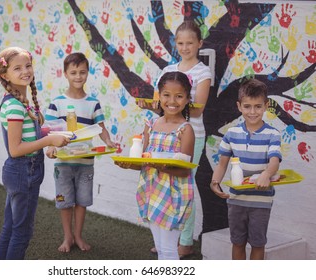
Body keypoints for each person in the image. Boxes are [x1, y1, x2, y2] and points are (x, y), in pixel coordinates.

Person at [138, 20, 211, 258]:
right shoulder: (167, 70)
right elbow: (160, 106)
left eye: (190, 42)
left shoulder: (202, 72)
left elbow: (197, 110)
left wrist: (170, 103)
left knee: (182, 186)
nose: (185, 47)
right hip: (164, 134)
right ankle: (164, 237)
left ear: (199, 43)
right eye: (180, 42)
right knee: (160, 185)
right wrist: (149, 104)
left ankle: (185, 242)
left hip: (191, 134)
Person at [0, 47, 70, 260]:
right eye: (17, 68)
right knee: (21, 232)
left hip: (23, 172)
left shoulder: (21, 102)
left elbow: (30, 135)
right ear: (5, 75)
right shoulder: (15, 107)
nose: (25, 71)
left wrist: (52, 135)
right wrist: (48, 140)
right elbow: (16, 149)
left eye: (27, 66)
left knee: (11, 227)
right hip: (22, 172)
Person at [116, 71, 195, 260]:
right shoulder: (150, 125)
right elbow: (144, 162)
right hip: (152, 191)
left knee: (168, 249)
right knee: (160, 248)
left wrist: (160, 167)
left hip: (174, 194)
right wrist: (128, 165)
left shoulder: (186, 130)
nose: (172, 101)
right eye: (167, 95)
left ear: (186, 99)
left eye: (179, 96)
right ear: (159, 96)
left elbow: (185, 171)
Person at [44, 52, 117, 253]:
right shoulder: (57, 102)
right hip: (63, 162)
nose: (78, 76)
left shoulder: (93, 102)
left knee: (82, 201)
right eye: (73, 72)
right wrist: (50, 147)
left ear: (87, 73)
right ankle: (67, 237)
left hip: (86, 162)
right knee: (65, 201)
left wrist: (109, 141)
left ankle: (78, 236)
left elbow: (101, 128)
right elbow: (48, 131)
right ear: (65, 74)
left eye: (82, 72)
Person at [210, 78, 281, 260]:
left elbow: (274, 161)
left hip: (261, 200)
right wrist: (215, 182)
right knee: (237, 242)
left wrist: (266, 174)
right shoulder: (231, 134)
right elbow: (222, 164)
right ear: (239, 106)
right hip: (236, 199)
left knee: (258, 243)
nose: (252, 111)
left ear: (266, 106)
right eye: (247, 106)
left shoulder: (272, 134)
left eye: (258, 106)